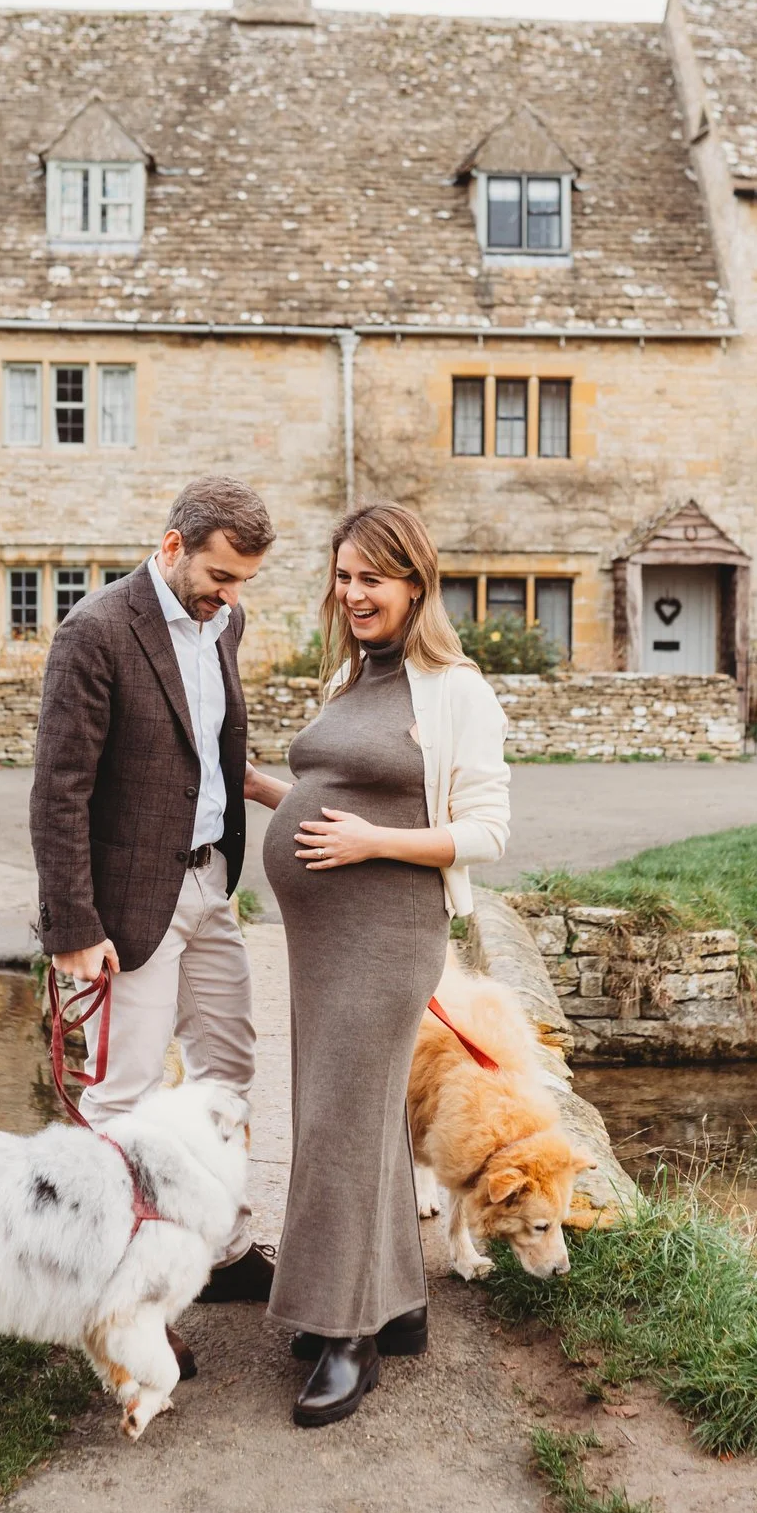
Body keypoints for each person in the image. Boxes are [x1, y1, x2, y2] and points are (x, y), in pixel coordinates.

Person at [258, 501, 512, 1428]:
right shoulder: (350, 673)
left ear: (415, 583)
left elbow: (486, 827)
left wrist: (373, 841)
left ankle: (348, 1334)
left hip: (389, 933)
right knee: (338, 1111)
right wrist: (273, 794)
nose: (353, 592)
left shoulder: (455, 689)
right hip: (322, 939)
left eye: (373, 576)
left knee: (346, 1121)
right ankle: (398, 1307)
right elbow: (338, 800)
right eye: (344, 574)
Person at [31, 474, 289, 1315]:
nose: (232, 596)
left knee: (229, 1068)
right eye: (221, 576)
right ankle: (123, 1290)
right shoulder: (94, 633)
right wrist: (72, 925)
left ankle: (220, 1246)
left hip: (212, 883)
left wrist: (286, 796)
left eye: (245, 580)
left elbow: (204, 751)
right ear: (174, 547)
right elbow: (59, 789)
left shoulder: (227, 622)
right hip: (127, 903)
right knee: (124, 1096)